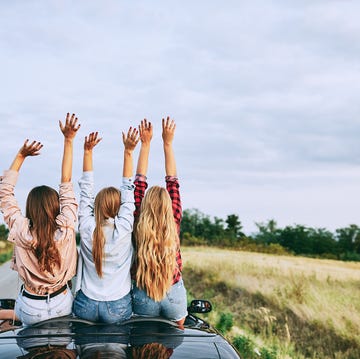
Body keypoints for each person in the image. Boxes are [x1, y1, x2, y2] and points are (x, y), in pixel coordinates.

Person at [0, 113, 80, 325]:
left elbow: (5, 193)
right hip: (62, 303)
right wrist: (69, 140)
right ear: (56, 206)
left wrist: (21, 156)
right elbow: (67, 184)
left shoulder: (21, 229)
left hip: (30, 305)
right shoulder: (66, 228)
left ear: (30, 209)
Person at [73, 127, 139, 323]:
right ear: (119, 209)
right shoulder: (124, 228)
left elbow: (85, 193)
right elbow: (128, 190)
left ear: (97, 207)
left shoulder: (86, 227)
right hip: (117, 305)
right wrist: (128, 152)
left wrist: (87, 152)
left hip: (86, 304)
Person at [132, 117, 187, 327]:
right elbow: (173, 180)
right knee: (176, 336)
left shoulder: (137, 219)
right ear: (168, 205)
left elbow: (138, 182)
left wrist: (145, 144)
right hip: (173, 293)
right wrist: (167, 143)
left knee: (141, 342)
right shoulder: (173, 218)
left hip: (143, 294)